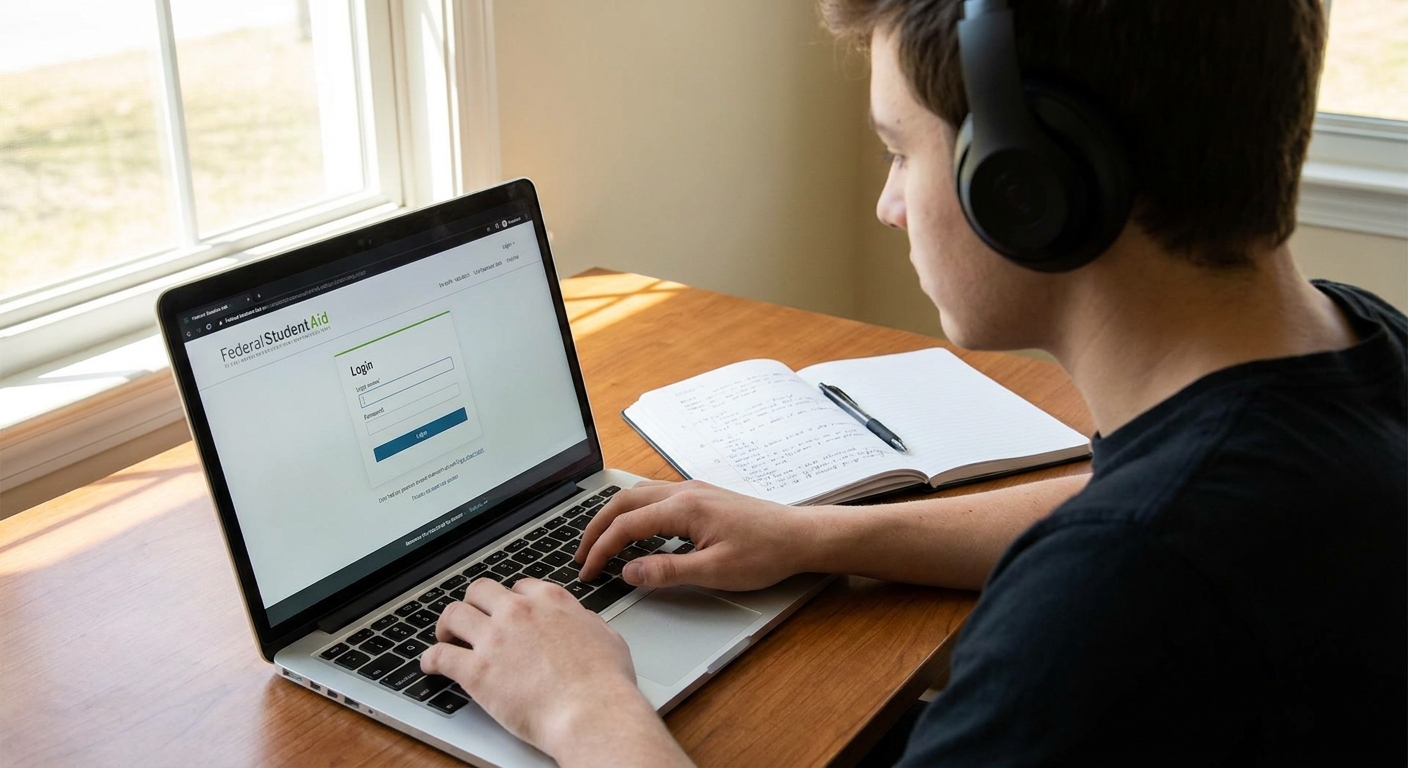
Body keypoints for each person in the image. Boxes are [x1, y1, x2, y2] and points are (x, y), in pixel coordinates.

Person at [420, 0, 1408, 765]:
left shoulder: (1119, 598)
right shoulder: (1355, 348)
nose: (889, 205)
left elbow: (1140, 542)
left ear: (1028, 187)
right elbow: (1143, 499)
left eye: (899, 152)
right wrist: (819, 534)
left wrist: (585, 713)